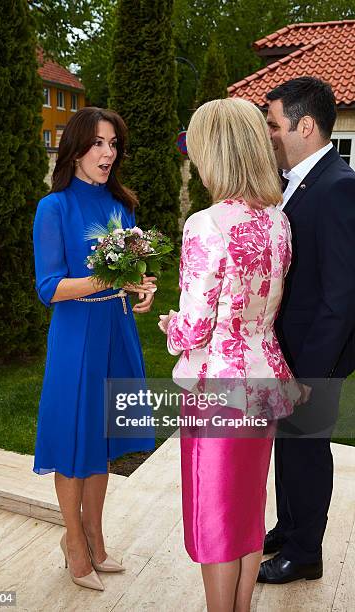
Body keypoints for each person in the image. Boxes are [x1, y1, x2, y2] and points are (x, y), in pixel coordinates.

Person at [159, 98, 300, 612]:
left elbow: (193, 328)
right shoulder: (278, 221)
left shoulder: (205, 224)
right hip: (264, 386)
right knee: (246, 510)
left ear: (215, 152)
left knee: (216, 516)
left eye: (195, 147)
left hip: (218, 391)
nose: (192, 158)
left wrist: (170, 325)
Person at [33, 107, 156, 591]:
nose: (109, 153)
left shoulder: (121, 205)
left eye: (114, 144)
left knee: (102, 442)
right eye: (99, 143)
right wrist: (108, 277)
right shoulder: (54, 207)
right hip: (76, 336)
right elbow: (49, 287)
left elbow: (124, 272)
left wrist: (138, 287)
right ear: (77, 148)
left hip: (115, 329)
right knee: (73, 442)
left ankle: (96, 537)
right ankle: (74, 542)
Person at [259, 77, 355, 584]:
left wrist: (310, 376)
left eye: (275, 124)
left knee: (307, 450)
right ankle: (290, 527)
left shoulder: (340, 187)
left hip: (317, 355)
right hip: (288, 350)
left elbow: (342, 297)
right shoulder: (295, 181)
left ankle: (306, 554)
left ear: (306, 125)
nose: (270, 133)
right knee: (288, 446)